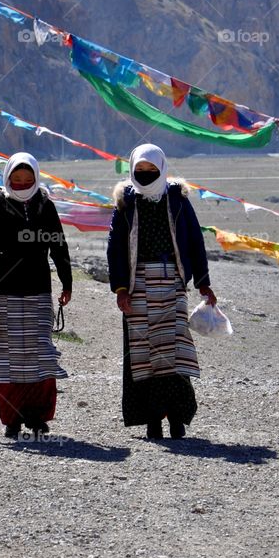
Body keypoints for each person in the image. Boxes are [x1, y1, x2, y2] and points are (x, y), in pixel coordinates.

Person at [107, 144, 216, 440]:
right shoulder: (125, 202)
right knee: (144, 354)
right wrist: (120, 289)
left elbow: (195, 240)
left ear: (161, 168)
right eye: (139, 170)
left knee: (173, 351)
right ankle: (152, 420)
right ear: (131, 170)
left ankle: (177, 419)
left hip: (172, 284)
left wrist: (203, 282)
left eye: (150, 170)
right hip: (137, 284)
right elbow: (115, 248)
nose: (144, 175)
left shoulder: (177, 198)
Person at [0, 153, 73, 438]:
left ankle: (38, 417)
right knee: (6, 357)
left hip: (38, 290)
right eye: (17, 179)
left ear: (36, 179)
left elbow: (59, 247)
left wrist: (67, 283)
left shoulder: (46, 208)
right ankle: (11, 419)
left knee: (39, 353)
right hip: (1, 293)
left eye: (28, 180)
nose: (23, 184)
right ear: (8, 179)